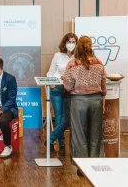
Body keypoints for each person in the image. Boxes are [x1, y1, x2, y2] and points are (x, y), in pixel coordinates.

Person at [63, 36, 106, 176]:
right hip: (96, 101)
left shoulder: (72, 64)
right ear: (90, 46)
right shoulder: (99, 63)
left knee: (79, 133)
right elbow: (104, 84)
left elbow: (68, 86)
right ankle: (95, 163)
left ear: (78, 46)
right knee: (95, 133)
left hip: (79, 100)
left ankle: (82, 167)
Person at [46, 33, 78, 156]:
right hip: (57, 88)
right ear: (64, 43)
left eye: (73, 42)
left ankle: (50, 140)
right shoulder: (58, 56)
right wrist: (52, 83)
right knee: (59, 118)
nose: (71, 44)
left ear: (77, 43)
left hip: (71, 90)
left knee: (66, 119)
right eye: (69, 41)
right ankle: (62, 145)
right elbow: (50, 72)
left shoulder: (78, 57)